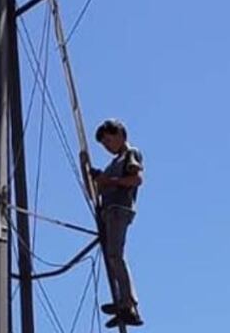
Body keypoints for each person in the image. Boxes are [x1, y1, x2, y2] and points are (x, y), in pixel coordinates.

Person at [91, 119, 144, 328]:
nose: (107, 146)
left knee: (115, 255)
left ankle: (128, 303)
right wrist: (99, 178)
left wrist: (109, 182)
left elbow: (136, 179)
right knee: (113, 256)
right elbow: (102, 184)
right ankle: (123, 300)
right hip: (110, 210)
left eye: (108, 141)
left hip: (119, 209)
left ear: (120, 135)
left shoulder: (129, 154)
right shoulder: (113, 164)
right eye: (104, 144)